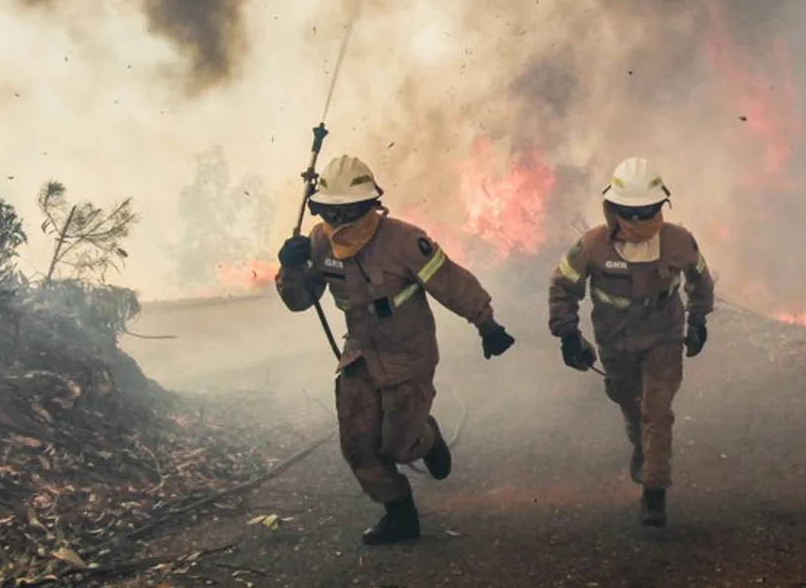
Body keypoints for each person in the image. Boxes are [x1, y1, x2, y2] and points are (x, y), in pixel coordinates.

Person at [275, 154, 516, 545]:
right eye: (329, 212)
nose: (338, 222)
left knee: (400, 444)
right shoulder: (319, 244)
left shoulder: (405, 241)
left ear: (370, 206)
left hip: (408, 353)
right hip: (360, 353)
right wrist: (289, 268)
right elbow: (301, 300)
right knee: (357, 443)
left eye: (348, 212)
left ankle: (427, 438)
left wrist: (486, 324)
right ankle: (399, 512)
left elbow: (450, 282)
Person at [547, 156, 715, 527]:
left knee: (657, 410)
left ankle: (654, 493)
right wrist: (568, 334)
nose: (639, 221)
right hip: (616, 341)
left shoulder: (678, 241)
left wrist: (698, 320)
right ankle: (641, 446)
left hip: (663, 337)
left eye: (647, 211)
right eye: (630, 212)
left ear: (661, 206)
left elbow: (700, 279)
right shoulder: (592, 246)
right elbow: (563, 286)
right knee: (628, 399)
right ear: (613, 208)